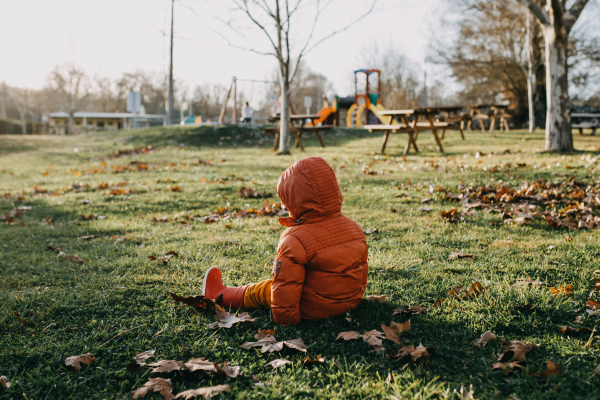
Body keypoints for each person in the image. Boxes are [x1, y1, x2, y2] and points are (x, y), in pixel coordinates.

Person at [202, 157, 369, 325]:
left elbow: (286, 285)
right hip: (349, 302)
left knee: (264, 290)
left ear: (292, 199)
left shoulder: (295, 239)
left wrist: (287, 320)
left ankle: (218, 294)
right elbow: (362, 269)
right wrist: (353, 300)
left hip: (311, 308)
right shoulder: (354, 228)